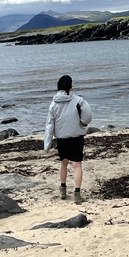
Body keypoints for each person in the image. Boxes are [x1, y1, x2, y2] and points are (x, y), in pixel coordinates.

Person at [44, 75, 92, 204]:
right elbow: (87, 117)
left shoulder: (54, 103)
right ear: (71, 86)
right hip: (77, 136)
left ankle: (63, 190)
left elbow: (49, 124)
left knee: (63, 163)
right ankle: (77, 193)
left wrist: (47, 144)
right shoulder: (79, 100)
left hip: (62, 137)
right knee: (77, 165)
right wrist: (82, 123)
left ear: (58, 86)